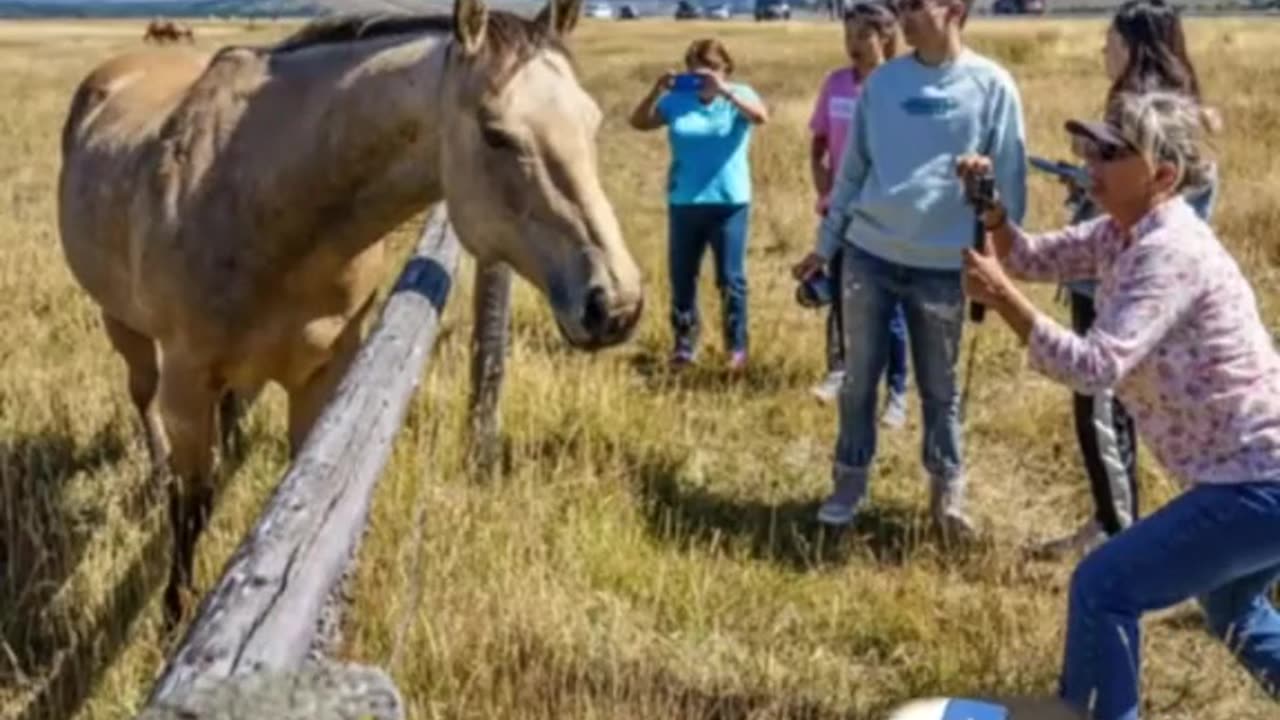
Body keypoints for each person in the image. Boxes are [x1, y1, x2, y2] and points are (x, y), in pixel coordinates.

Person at [956, 89, 1280, 720]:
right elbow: (1026, 257)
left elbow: (1095, 367)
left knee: (1104, 585)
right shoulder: (1121, 232)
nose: (1089, 164)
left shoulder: (1169, 251)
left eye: (1110, 152)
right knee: (1234, 608)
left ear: (1162, 175)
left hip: (1260, 479)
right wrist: (992, 213)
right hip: (1255, 474)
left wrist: (1005, 302)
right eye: (1091, 148)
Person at [792, 0, 1027, 535]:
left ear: (956, 10)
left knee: (940, 389)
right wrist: (825, 247)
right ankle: (849, 482)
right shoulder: (882, 86)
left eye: (916, 6)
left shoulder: (993, 87)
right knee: (858, 382)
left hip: (944, 267)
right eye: (900, 7)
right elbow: (850, 176)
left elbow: (1011, 189)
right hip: (870, 254)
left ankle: (947, 495)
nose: (905, 16)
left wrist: (997, 253)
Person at [1036, 0, 1220, 559]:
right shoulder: (1179, 110)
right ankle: (1114, 518)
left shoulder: (1148, 117)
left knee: (1100, 404)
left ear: (1135, 45)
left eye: (1110, 39)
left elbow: (1154, 206)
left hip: (1121, 281)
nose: (1102, 49)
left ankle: (1118, 532)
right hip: (1128, 276)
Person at [629, 38, 769, 372]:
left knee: (731, 278)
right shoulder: (678, 100)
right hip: (686, 200)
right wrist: (656, 91)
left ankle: (736, 347)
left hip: (729, 201)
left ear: (726, 69)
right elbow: (639, 122)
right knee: (682, 276)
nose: (704, 77)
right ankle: (684, 345)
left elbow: (760, 117)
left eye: (712, 69)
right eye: (696, 70)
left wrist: (725, 92)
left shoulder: (740, 94)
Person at [806, 1, 910, 430]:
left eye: (862, 36)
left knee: (893, 308)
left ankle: (898, 392)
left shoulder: (900, 86)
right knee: (842, 295)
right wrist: (826, 191)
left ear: (885, 37)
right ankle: (840, 369)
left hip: (886, 215)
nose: (853, 46)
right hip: (842, 212)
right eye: (847, 36)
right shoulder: (835, 85)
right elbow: (818, 144)